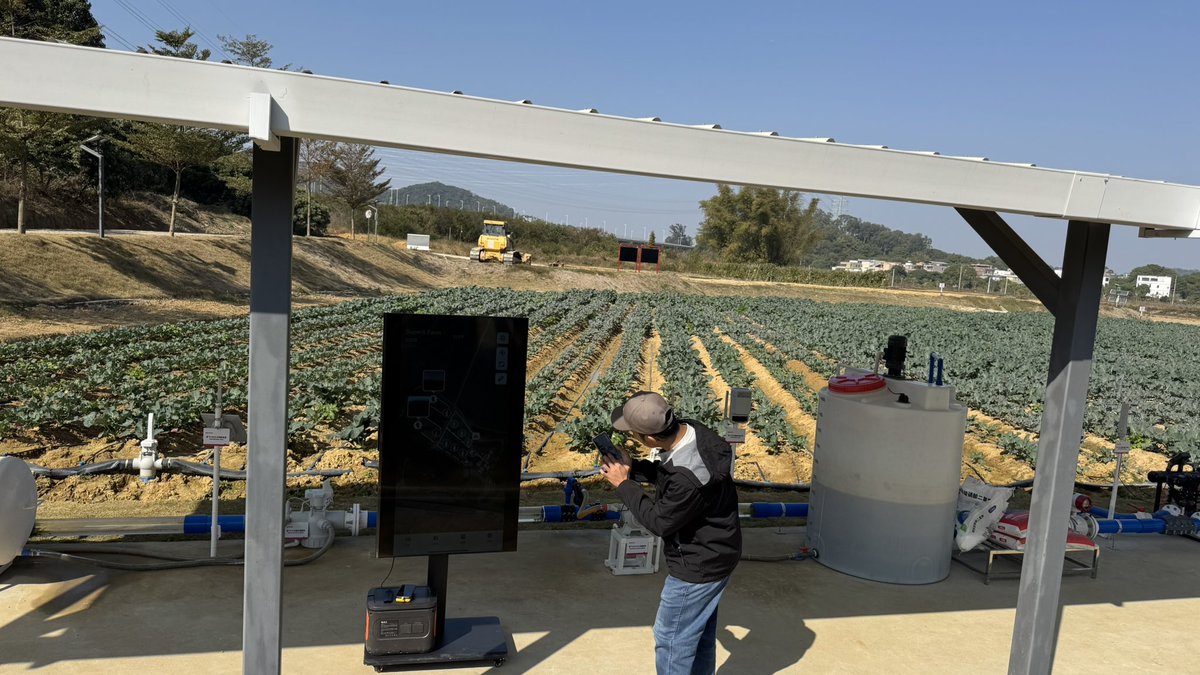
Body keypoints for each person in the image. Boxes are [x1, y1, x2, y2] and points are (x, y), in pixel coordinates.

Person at [600, 391, 741, 675]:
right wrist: (634, 469)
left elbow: (660, 522)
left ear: (650, 439)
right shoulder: (692, 431)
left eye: (634, 433)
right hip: (719, 550)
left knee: (671, 638)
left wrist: (624, 485)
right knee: (698, 635)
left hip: (697, 564)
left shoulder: (688, 479)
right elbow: (671, 471)